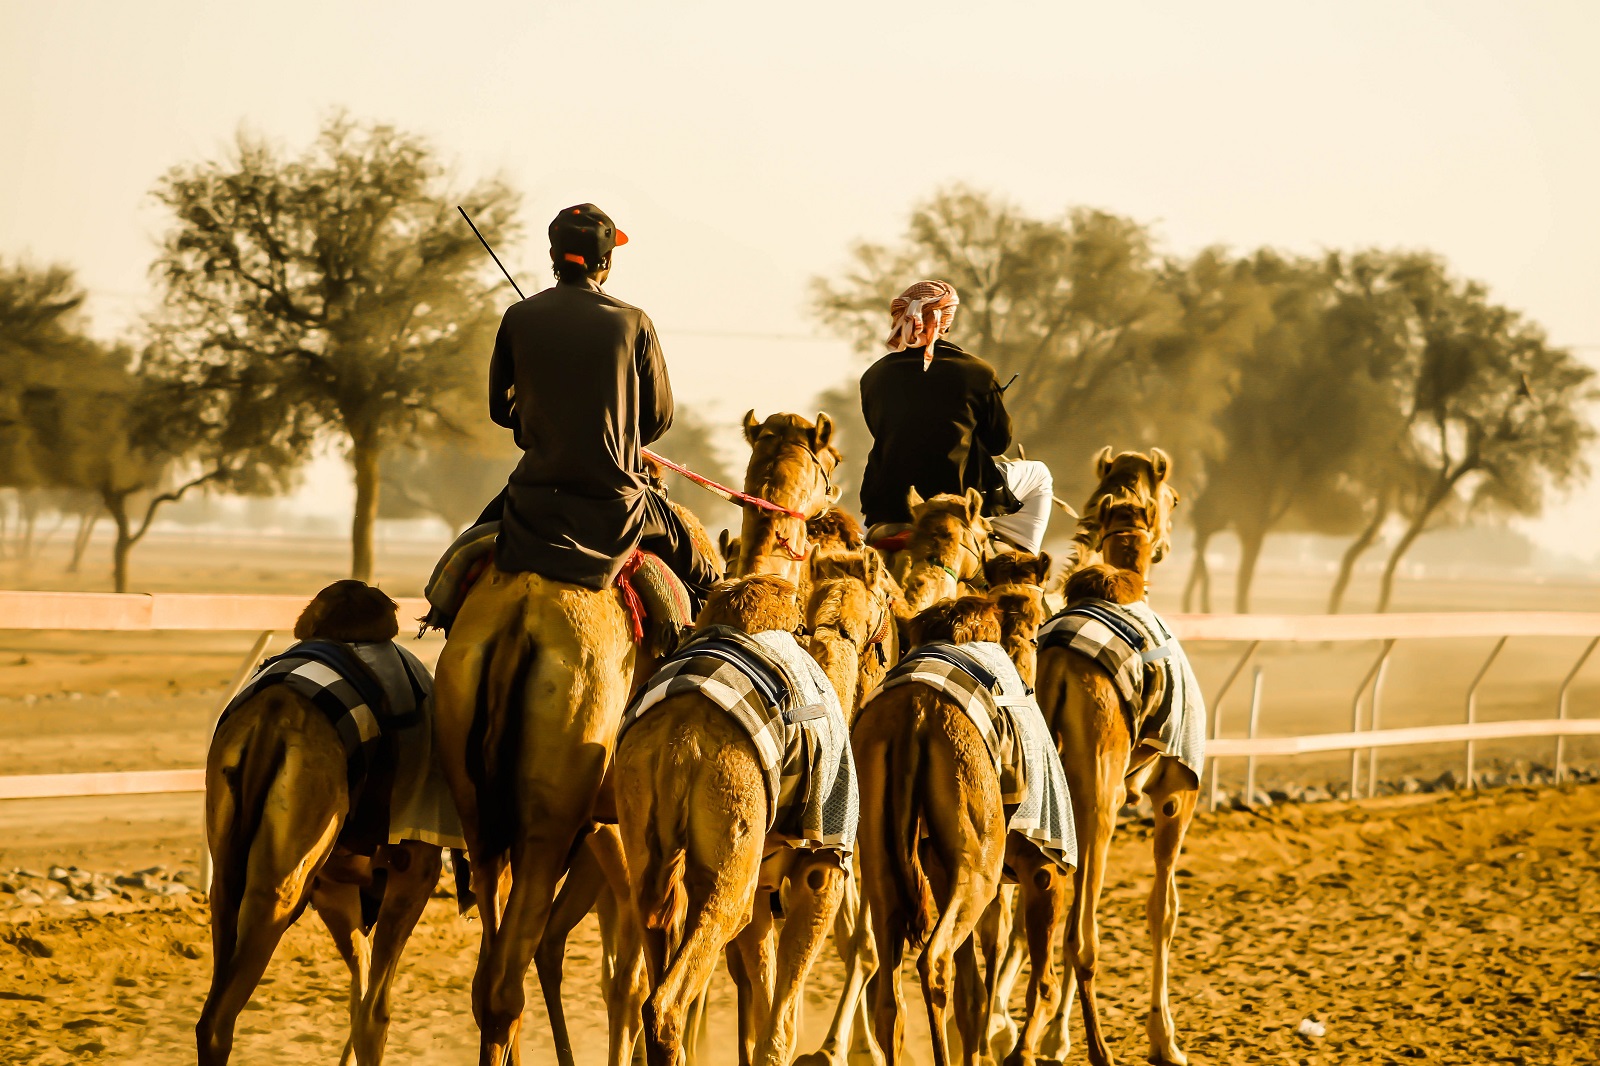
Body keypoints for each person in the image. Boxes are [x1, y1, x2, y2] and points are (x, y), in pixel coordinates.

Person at [471, 203, 718, 611]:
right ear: (605, 261)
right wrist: (616, 431)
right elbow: (658, 418)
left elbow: (501, 410)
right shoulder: (633, 321)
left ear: (553, 256)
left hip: (534, 495)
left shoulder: (518, 316)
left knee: (461, 561)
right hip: (617, 501)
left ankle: (442, 616)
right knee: (706, 578)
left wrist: (540, 422)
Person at [857, 280, 1054, 554]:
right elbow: (998, 444)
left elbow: (881, 431)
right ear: (946, 321)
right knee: (1041, 475)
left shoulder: (873, 376)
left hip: (885, 502)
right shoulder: (977, 371)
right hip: (958, 494)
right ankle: (1018, 568)